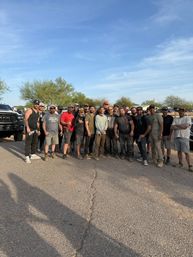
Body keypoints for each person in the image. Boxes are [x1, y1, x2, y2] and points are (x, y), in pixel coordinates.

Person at [171, 107, 193, 171]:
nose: (181, 112)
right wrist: (181, 126)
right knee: (179, 151)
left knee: (186, 152)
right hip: (177, 137)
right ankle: (180, 163)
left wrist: (177, 126)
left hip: (184, 137)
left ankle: (190, 165)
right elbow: (172, 127)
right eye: (179, 111)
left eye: (182, 111)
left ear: (184, 111)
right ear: (178, 112)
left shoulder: (187, 118)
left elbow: (185, 126)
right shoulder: (176, 119)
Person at [24, 99, 41, 164]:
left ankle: (33, 154)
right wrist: (27, 128)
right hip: (29, 129)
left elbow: (37, 121)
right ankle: (27, 157)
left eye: (37, 104)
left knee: (35, 142)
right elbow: (25, 120)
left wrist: (38, 129)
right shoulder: (29, 110)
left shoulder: (38, 111)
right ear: (33, 104)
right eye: (35, 104)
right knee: (28, 142)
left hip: (35, 129)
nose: (36, 105)